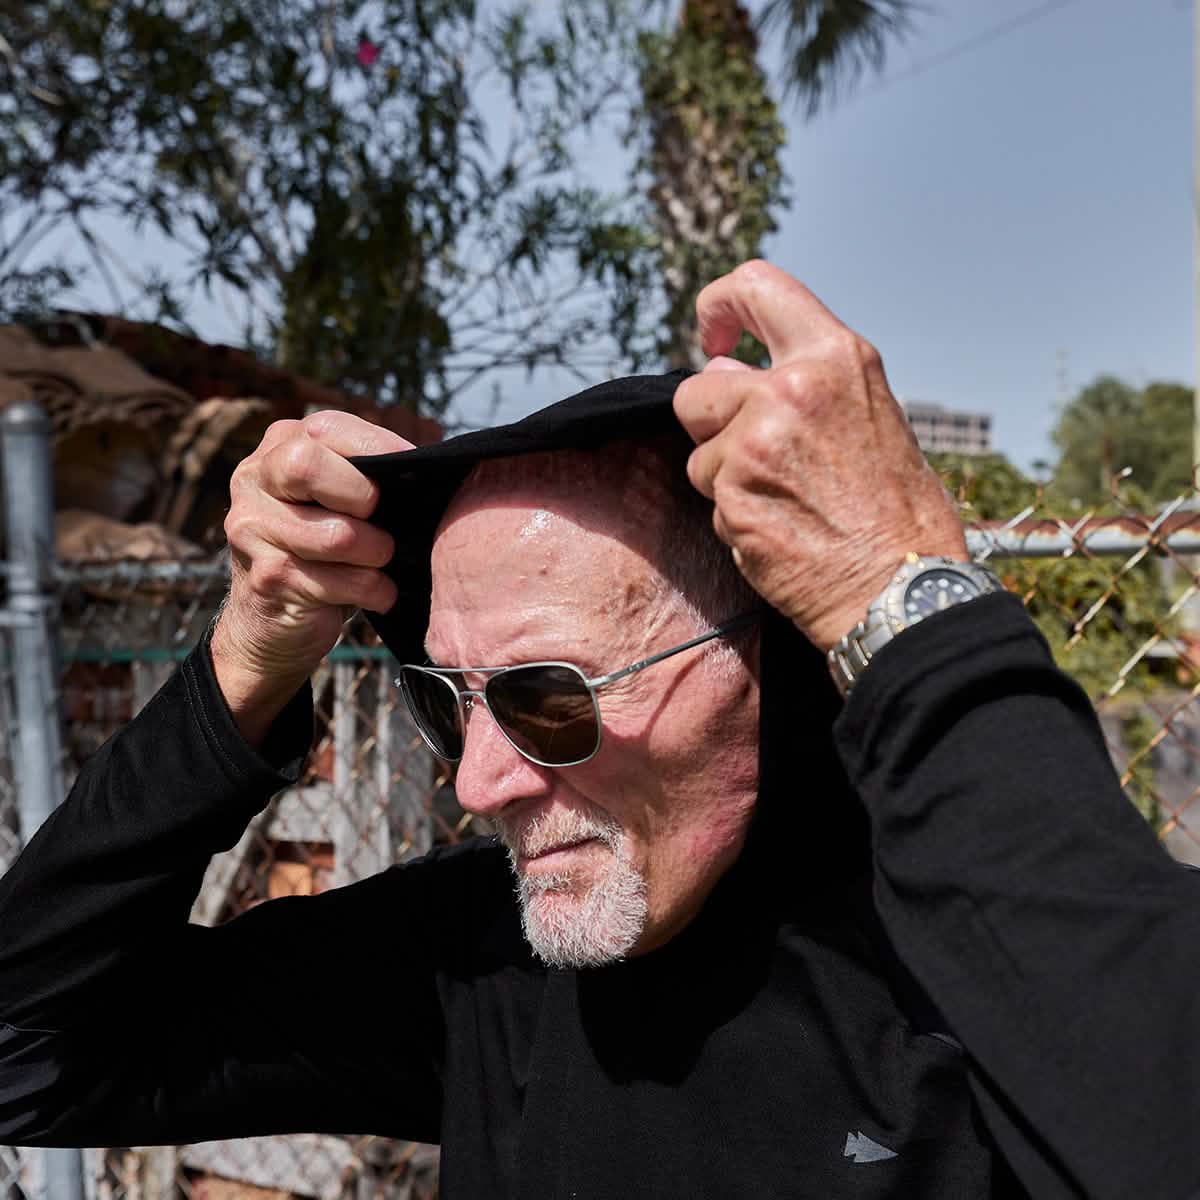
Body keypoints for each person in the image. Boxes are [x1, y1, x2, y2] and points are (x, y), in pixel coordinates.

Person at [1, 261, 1197, 1199]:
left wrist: (904, 594)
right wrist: (245, 659)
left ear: (757, 656)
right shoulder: (485, 961)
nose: (478, 781)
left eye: (546, 698)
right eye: (446, 698)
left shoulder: (965, 978)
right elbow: (28, 1051)